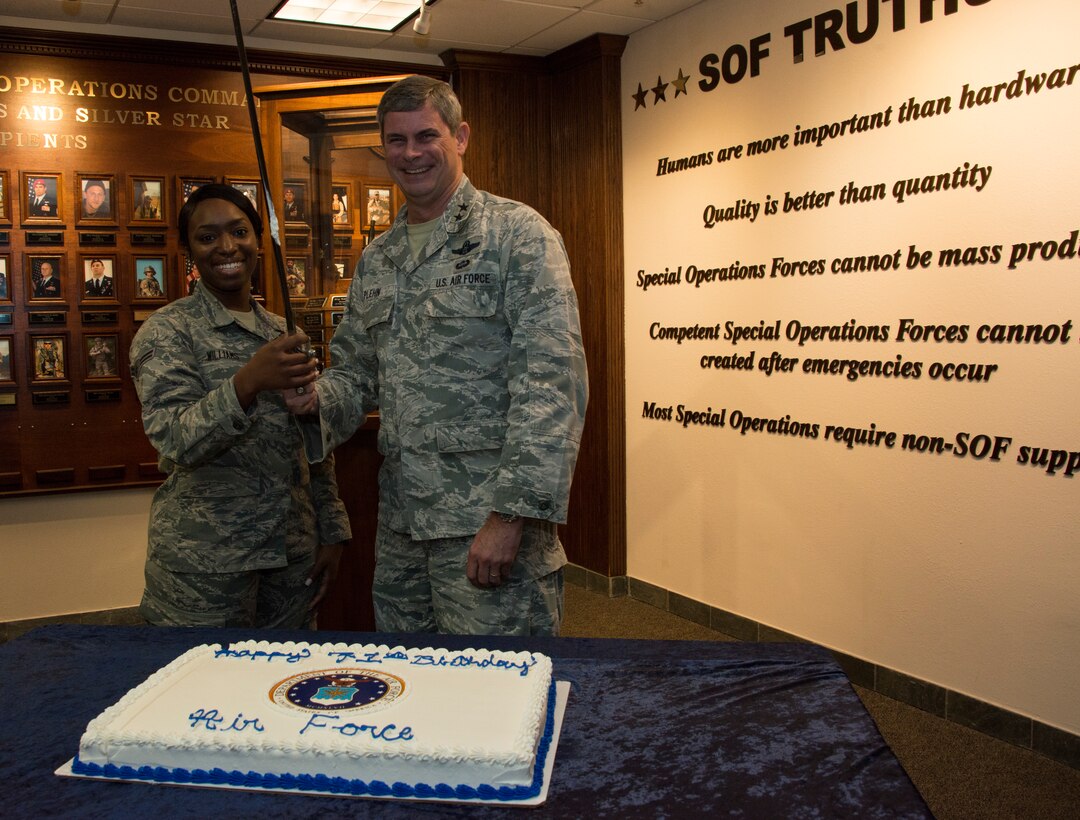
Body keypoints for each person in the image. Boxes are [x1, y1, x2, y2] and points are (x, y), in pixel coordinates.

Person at [286, 75, 588, 637]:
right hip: (403, 531)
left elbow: (552, 386)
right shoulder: (379, 259)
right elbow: (355, 375)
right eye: (396, 141)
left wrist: (509, 516)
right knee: (410, 694)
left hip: (487, 525)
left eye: (426, 135)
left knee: (494, 699)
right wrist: (314, 398)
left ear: (461, 137)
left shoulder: (517, 236)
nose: (411, 153)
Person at [129, 183, 350, 628]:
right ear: (189, 249)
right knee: (197, 691)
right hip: (205, 565)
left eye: (239, 231)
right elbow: (174, 439)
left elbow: (315, 449)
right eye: (208, 237)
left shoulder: (281, 332)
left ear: (258, 240)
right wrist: (246, 383)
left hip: (290, 558)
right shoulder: (167, 331)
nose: (227, 247)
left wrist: (332, 531)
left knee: (283, 687)